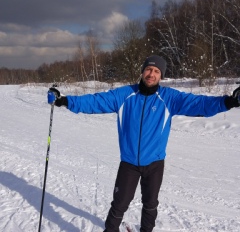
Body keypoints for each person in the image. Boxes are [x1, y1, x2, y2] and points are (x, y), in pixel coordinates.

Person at [47, 55, 240, 232]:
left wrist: (229, 102)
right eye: (149, 69)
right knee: (119, 203)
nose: (152, 74)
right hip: (129, 163)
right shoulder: (125, 95)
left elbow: (200, 104)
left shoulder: (169, 98)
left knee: (150, 204)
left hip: (155, 164)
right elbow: (95, 101)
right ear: (142, 71)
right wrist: (64, 100)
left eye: (157, 71)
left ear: (161, 76)